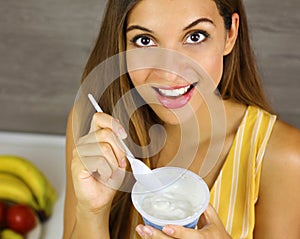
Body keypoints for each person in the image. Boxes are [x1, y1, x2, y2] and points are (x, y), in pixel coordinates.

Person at [63, 0, 300, 238]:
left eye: (195, 36)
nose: (169, 73)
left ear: (230, 34)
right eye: (145, 41)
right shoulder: (95, 130)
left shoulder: (283, 157)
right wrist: (92, 212)